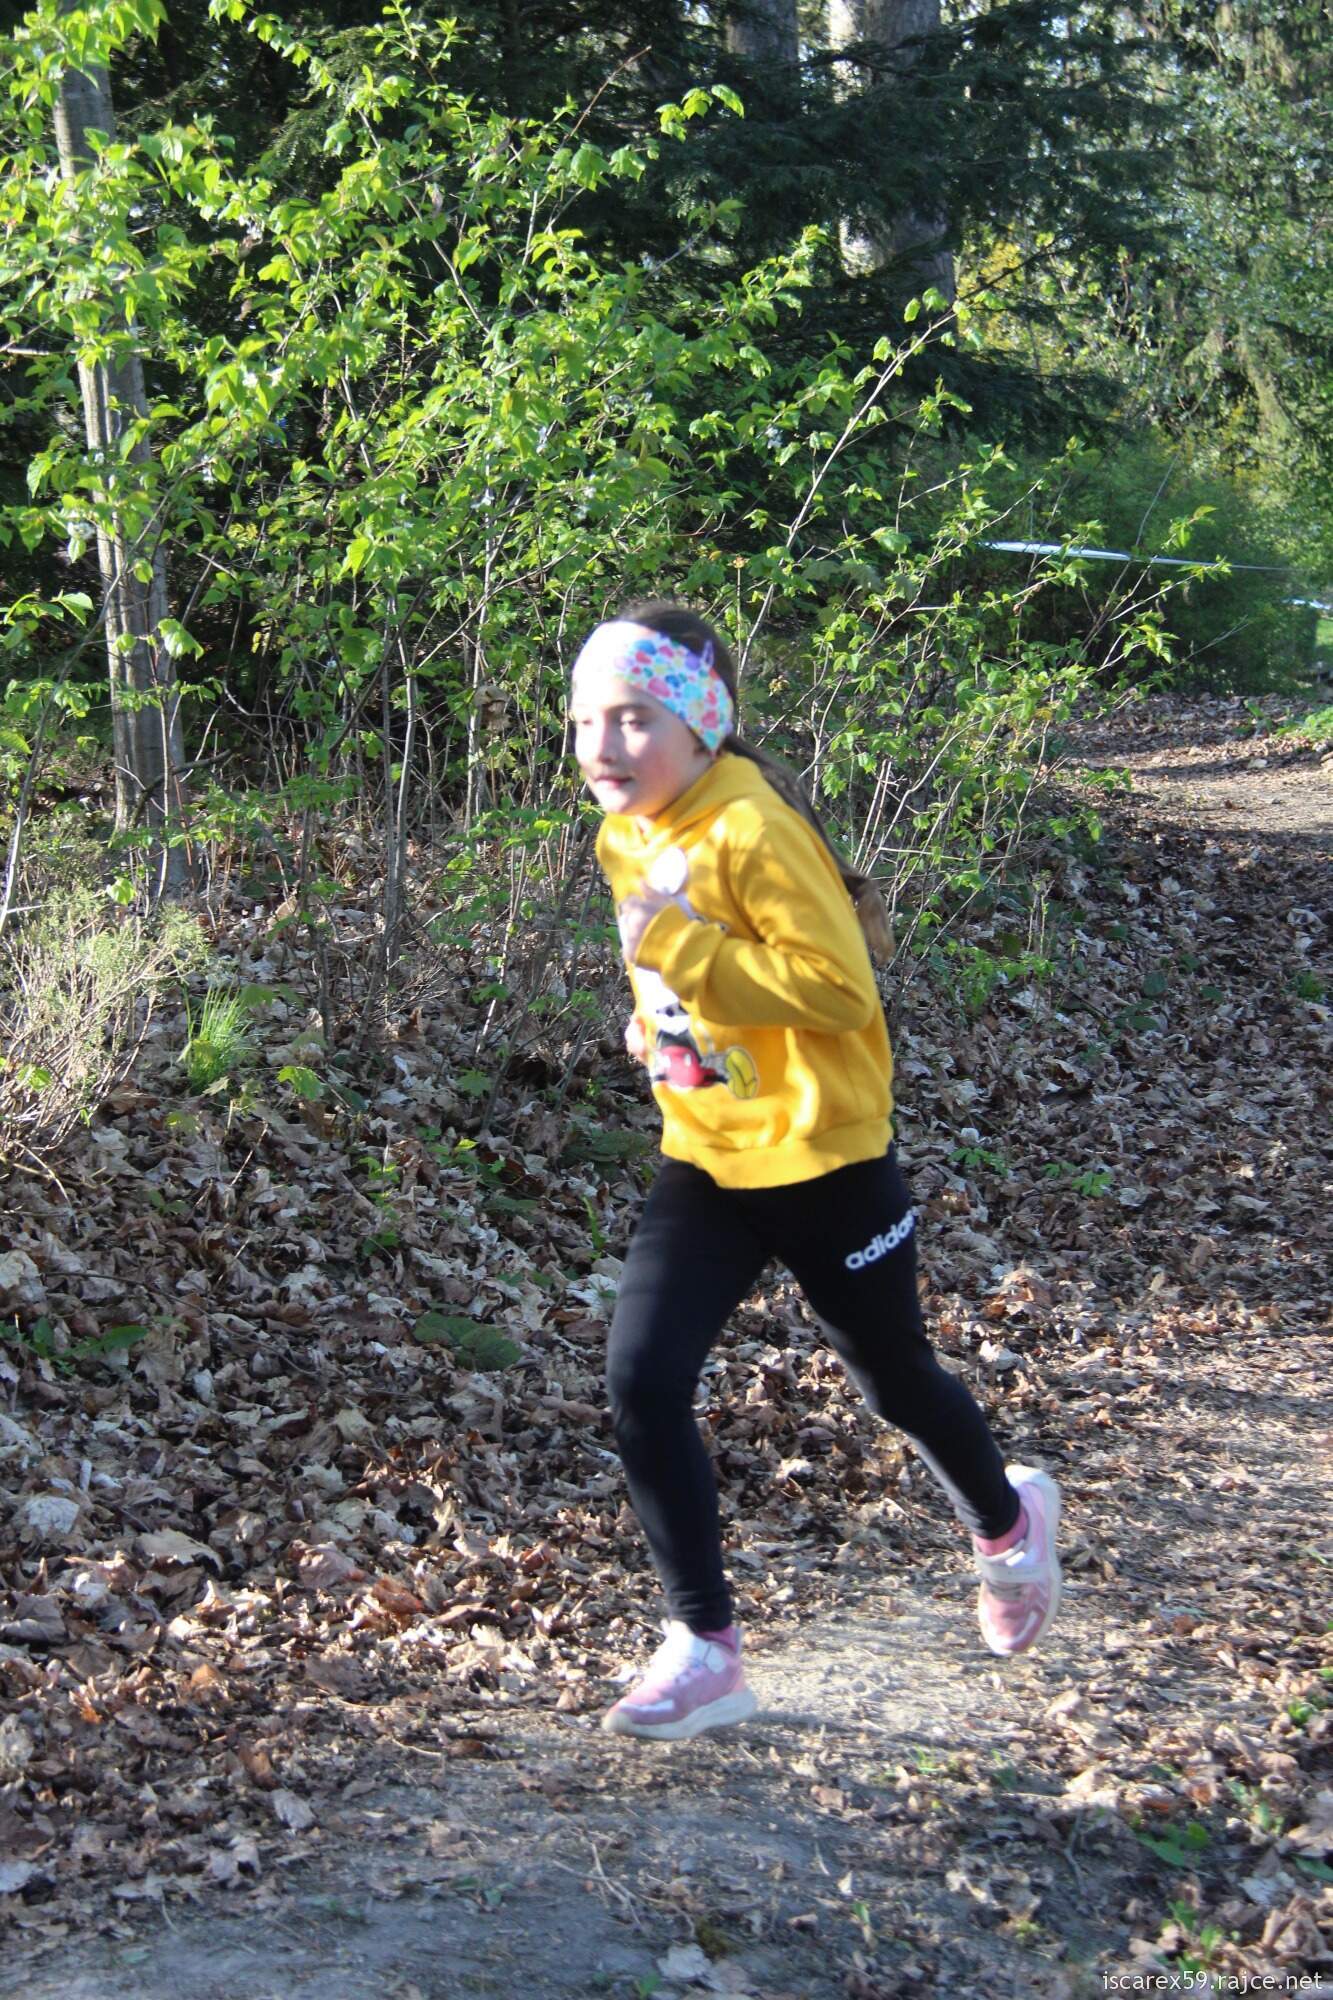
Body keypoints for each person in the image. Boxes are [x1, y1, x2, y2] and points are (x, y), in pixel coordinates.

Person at [568, 603, 1062, 1743]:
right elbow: (680, 969)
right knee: (641, 1379)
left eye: (634, 717)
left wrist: (679, 952)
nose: (603, 744)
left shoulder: (751, 826)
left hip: (825, 1158)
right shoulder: (625, 829)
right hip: (709, 1153)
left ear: (700, 724)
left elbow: (838, 993)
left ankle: (1007, 1525)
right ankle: (705, 1647)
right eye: (586, 719)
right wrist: (663, 1025)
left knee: (894, 1383)